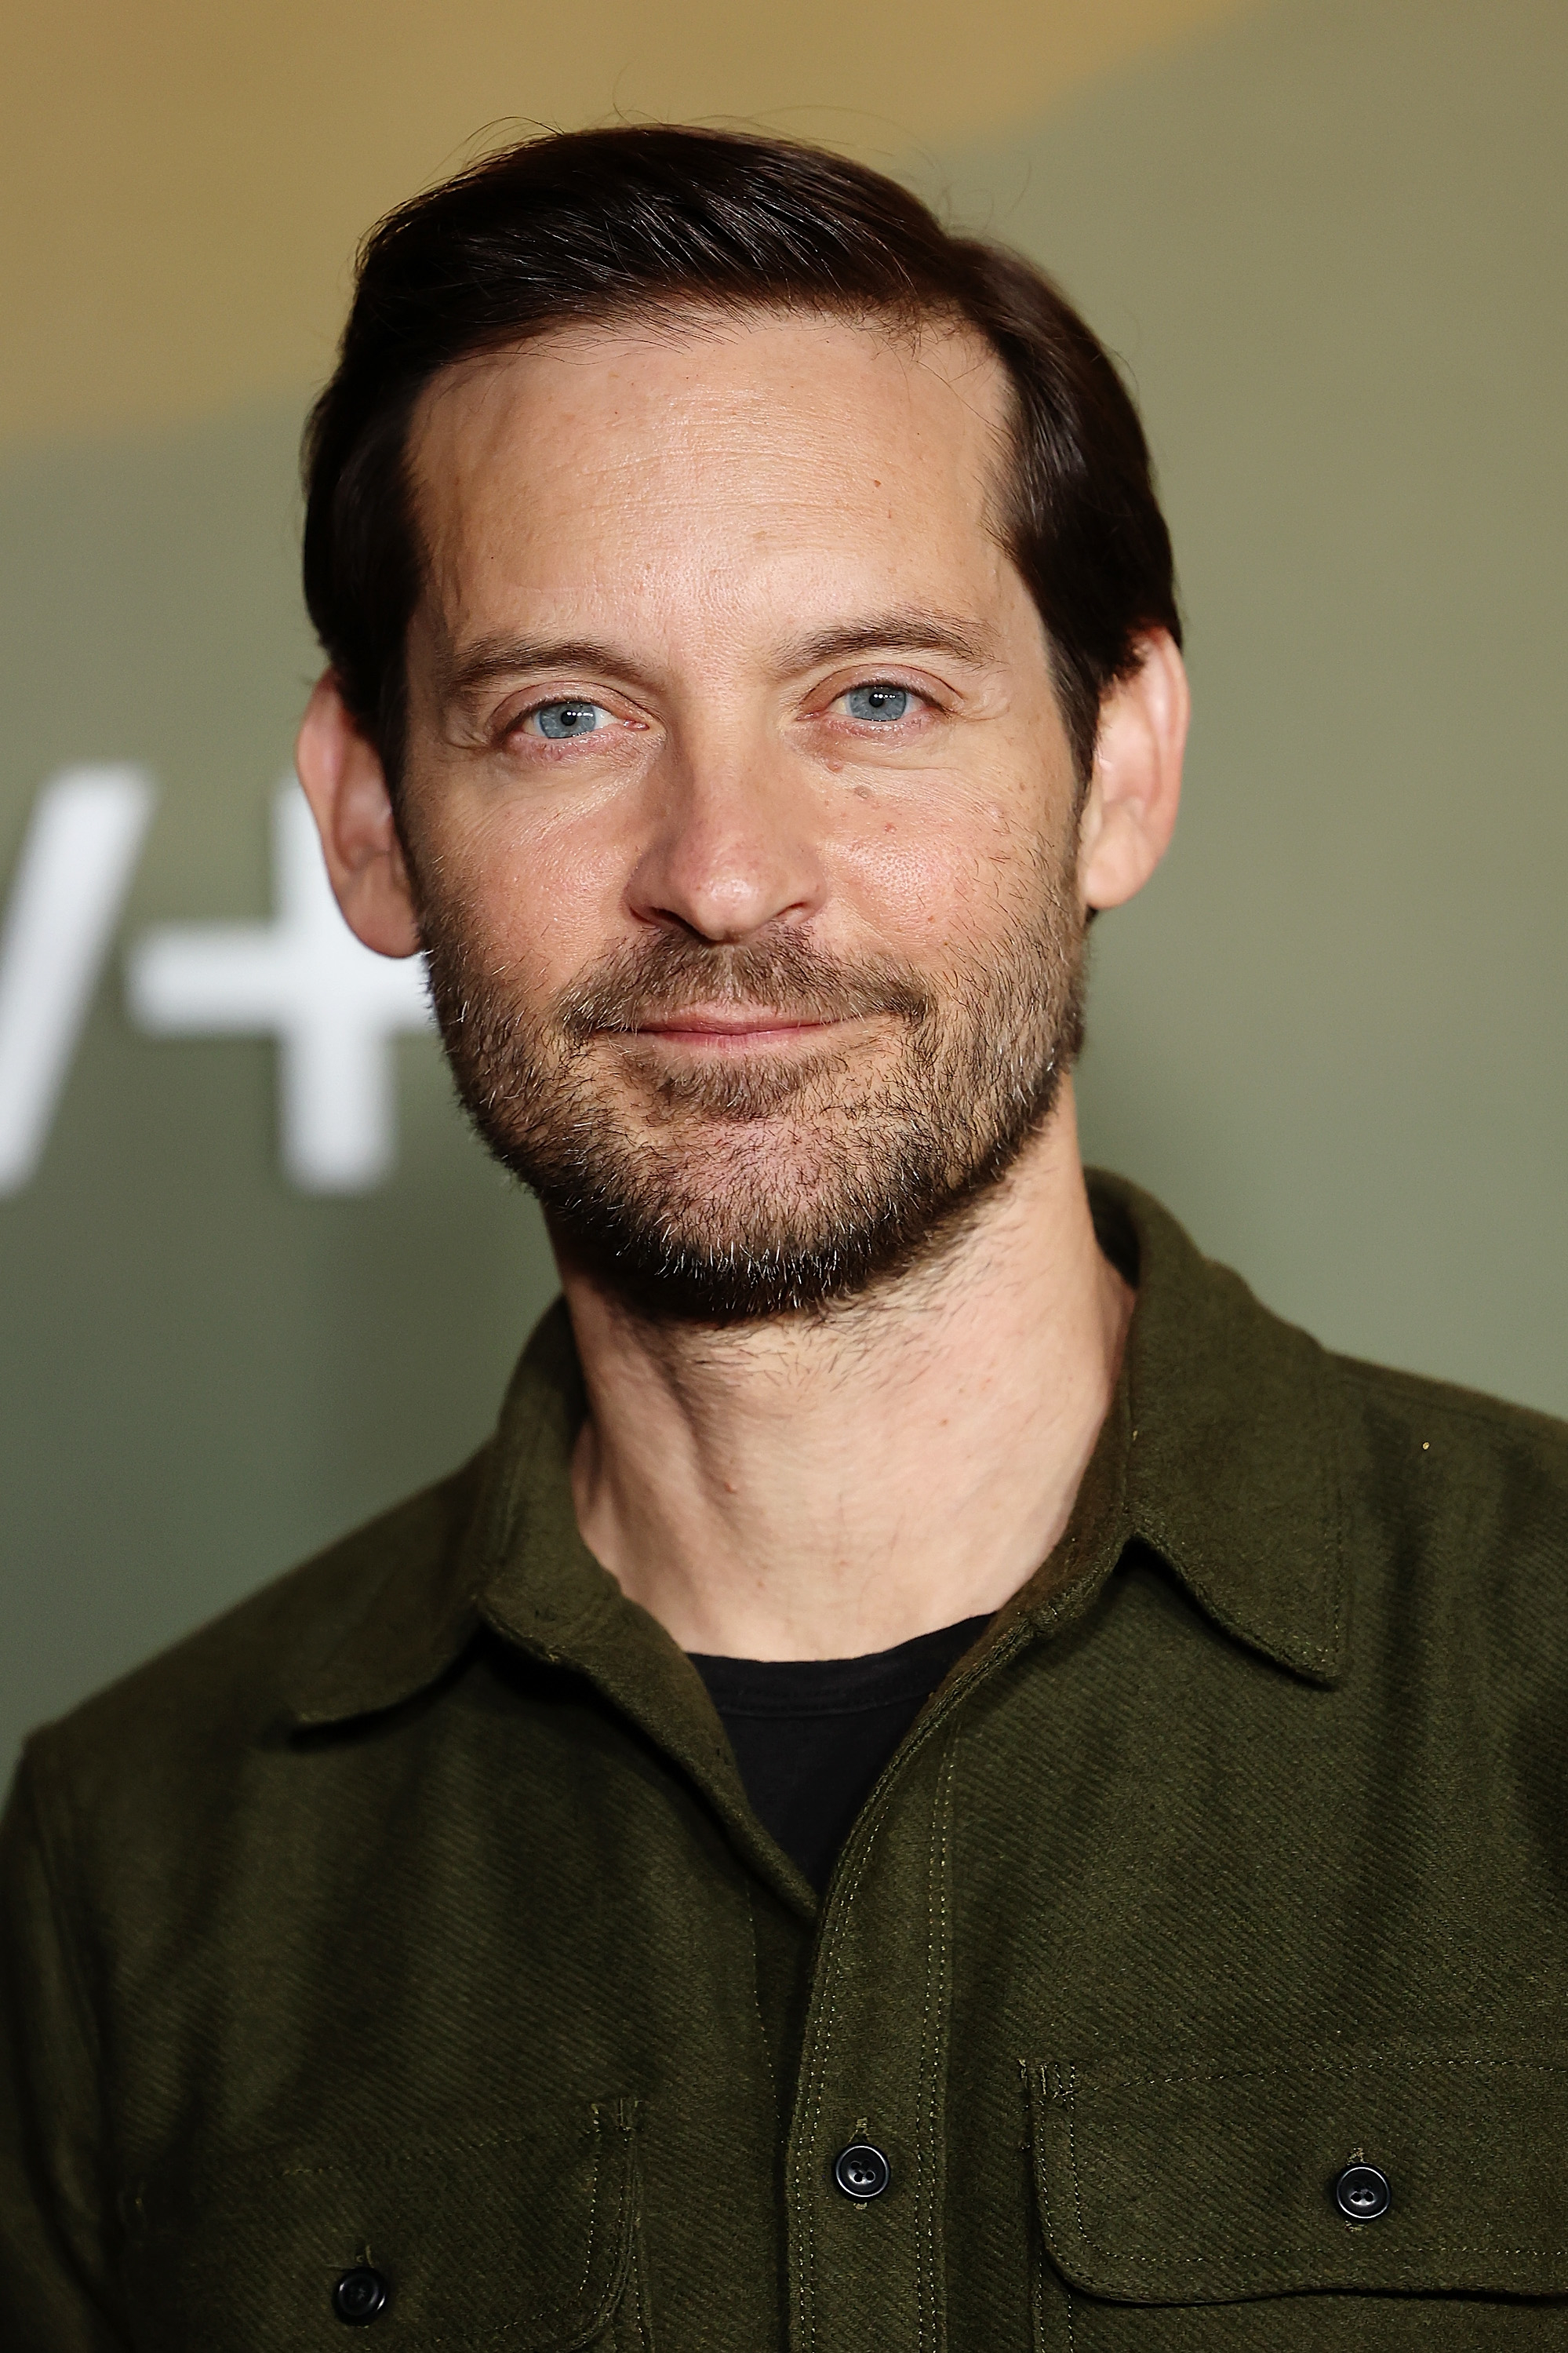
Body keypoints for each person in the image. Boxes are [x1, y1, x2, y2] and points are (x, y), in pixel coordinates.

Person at [3, 124, 1566, 2352]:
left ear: (1121, 763)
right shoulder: (138, 1867)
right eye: (567, 716)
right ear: (367, 824)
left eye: (876, 700)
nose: (726, 871)